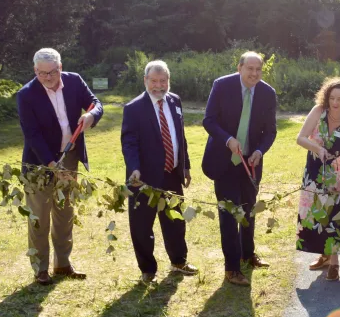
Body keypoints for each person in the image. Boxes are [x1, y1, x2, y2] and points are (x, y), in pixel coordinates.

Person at [17, 48, 103, 286]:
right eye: (41, 73)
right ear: (35, 70)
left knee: (64, 213)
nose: (47, 78)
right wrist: (52, 164)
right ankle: (40, 269)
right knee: (39, 218)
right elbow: (32, 135)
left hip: (69, 160)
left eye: (52, 72)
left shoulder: (74, 81)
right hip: (39, 164)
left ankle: (63, 264)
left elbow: (96, 103)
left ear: (60, 68)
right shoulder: (26, 95)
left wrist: (91, 116)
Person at [202, 52, 277, 286]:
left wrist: (259, 151)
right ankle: (232, 268)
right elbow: (209, 120)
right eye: (250, 69)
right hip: (224, 162)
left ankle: (248, 254)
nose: (254, 73)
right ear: (240, 68)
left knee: (248, 210)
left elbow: (270, 131)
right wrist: (228, 140)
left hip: (250, 164)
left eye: (258, 70)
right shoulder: (221, 86)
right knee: (229, 214)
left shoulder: (268, 93)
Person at [121, 60, 198, 284]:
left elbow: (180, 137)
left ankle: (179, 261)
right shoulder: (133, 108)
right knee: (142, 225)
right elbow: (129, 143)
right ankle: (147, 270)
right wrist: (134, 168)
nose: (158, 86)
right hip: (143, 179)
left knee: (175, 220)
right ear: (145, 80)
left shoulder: (175, 101)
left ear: (168, 81)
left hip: (172, 173)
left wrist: (185, 165)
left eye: (163, 81)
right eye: (153, 81)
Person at [296, 78, 340, 282]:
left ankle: (334, 264)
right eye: (332, 98)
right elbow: (300, 138)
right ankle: (324, 256)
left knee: (334, 218)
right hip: (314, 173)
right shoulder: (318, 112)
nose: (335, 102)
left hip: (337, 176)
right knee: (316, 216)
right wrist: (318, 148)